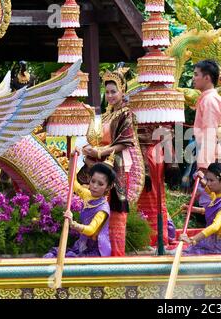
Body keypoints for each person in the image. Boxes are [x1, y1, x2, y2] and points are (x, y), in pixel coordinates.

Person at [78, 65, 144, 256]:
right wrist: (90, 149)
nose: (110, 95)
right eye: (107, 92)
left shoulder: (126, 114)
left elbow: (125, 142)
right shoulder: (107, 115)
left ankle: (116, 256)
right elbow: (97, 138)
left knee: (115, 210)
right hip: (99, 166)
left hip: (117, 166)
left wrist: (100, 152)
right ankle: (96, 251)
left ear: (122, 90)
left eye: (113, 91)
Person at [44, 160, 115, 258]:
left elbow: (91, 230)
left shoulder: (103, 209)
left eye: (100, 184)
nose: (94, 186)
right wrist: (72, 159)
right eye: (93, 181)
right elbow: (72, 182)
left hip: (96, 251)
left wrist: (73, 224)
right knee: (50, 256)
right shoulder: (87, 194)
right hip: (82, 244)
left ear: (108, 187)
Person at [191, 60, 221, 172]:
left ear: (207, 78)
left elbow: (210, 133)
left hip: (210, 159)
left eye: (196, 74)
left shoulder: (209, 100)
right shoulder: (208, 98)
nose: (193, 78)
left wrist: (204, 165)